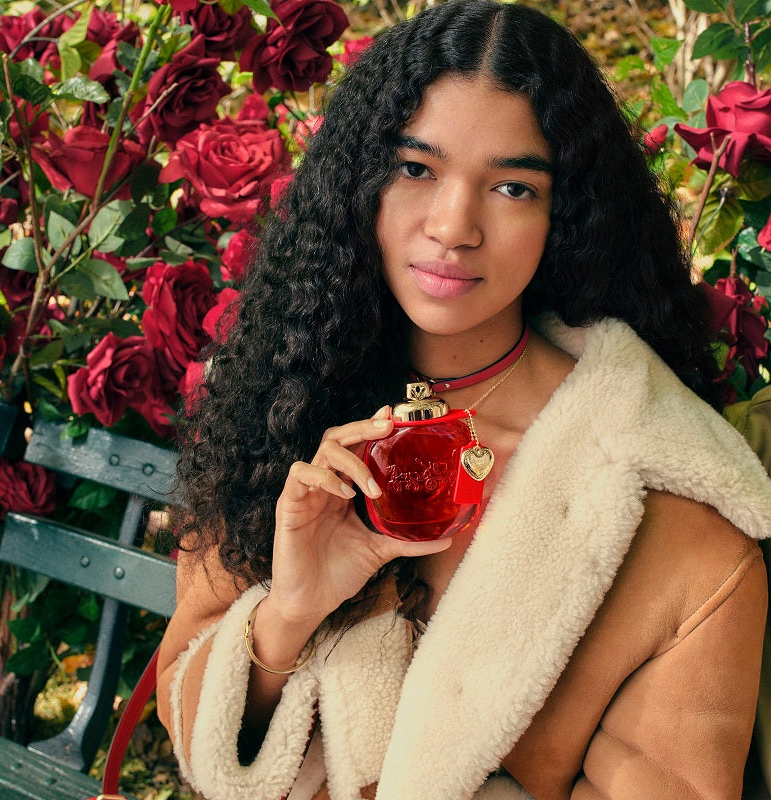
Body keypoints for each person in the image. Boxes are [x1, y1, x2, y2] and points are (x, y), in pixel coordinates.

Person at [156, 2, 771, 798]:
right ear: (361, 183)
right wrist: (290, 617)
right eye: (416, 169)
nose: (453, 226)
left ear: (566, 216)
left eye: (513, 187)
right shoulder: (279, 413)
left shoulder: (684, 535)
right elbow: (197, 739)